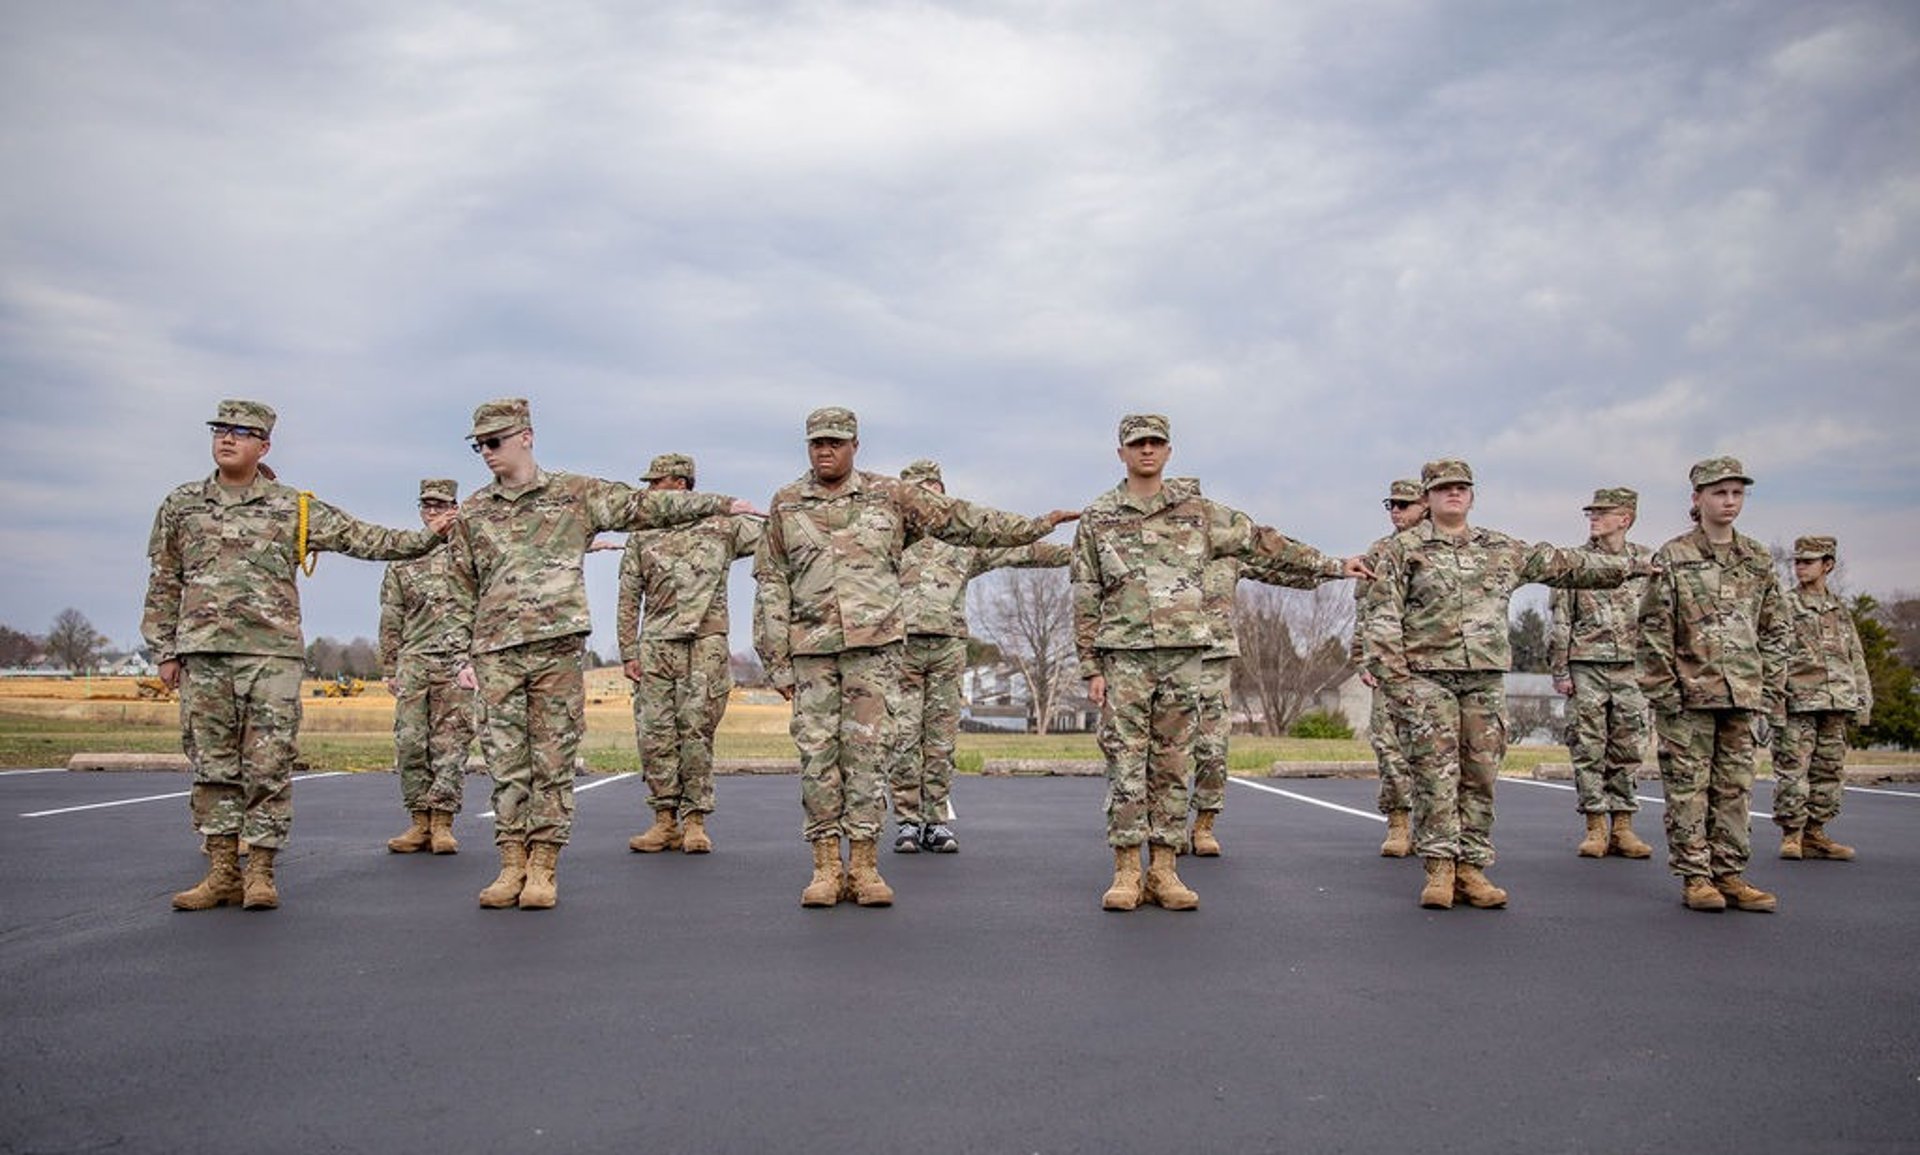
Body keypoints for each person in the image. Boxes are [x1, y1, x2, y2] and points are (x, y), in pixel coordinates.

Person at [753, 407, 1078, 908]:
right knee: (818, 759)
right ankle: (825, 867)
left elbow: (962, 519)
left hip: (875, 650)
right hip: (812, 652)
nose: (825, 450)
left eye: (835, 442)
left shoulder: (891, 496)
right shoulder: (787, 504)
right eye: (817, 441)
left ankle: (862, 866)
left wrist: (1034, 525)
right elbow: (771, 580)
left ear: (855, 445)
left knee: (867, 756)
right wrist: (773, 657)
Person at [443, 399, 756, 910]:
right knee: (505, 761)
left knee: (553, 760)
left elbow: (645, 508)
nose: (486, 452)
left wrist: (719, 504)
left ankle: (543, 867)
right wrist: (461, 656)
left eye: (494, 441)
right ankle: (510, 864)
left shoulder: (575, 495)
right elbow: (458, 587)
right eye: (478, 444)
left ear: (525, 436)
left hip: (556, 651)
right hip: (495, 653)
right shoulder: (476, 511)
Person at [143, 400, 450, 911]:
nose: (227, 439)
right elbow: (164, 581)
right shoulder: (182, 505)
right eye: (221, 429)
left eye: (242, 432)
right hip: (204, 655)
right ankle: (222, 871)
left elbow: (362, 537)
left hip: (271, 657)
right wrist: (164, 650)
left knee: (268, 765)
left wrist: (426, 539)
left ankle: (261, 871)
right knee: (212, 766)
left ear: (263, 446)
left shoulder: (294, 508)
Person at [1071, 415, 1368, 912]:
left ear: (1169, 452)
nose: (1147, 451)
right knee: (1125, 763)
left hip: (1186, 656)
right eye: (1137, 444)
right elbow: (1084, 594)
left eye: (1156, 443)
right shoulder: (1098, 516)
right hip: (1123, 658)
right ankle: (1126, 870)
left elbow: (1266, 542)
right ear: (1120, 452)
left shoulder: (1201, 514)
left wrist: (1333, 564)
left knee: (1171, 765)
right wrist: (1090, 667)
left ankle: (1164, 869)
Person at [1364, 459, 1642, 911]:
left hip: (1484, 680)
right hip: (1426, 679)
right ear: (1428, 497)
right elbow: (1382, 619)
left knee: (1481, 774)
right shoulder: (1402, 551)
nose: (1453, 494)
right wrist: (1399, 686)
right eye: (1443, 489)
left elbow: (1565, 565)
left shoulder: (1500, 548)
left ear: (1472, 496)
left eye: (1461, 488)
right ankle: (1440, 868)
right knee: (1435, 775)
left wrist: (1629, 567)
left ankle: (1472, 866)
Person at [889, 458, 1070, 855]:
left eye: (934, 491)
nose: (928, 499)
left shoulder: (962, 544)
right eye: (919, 491)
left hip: (948, 648)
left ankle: (934, 822)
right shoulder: (890, 538)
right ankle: (906, 820)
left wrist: (1079, 553)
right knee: (902, 737)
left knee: (940, 740)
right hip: (901, 648)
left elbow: (1021, 552)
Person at [1637, 456, 1790, 913]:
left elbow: (1775, 628)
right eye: (1719, 492)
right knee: (1688, 788)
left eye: (1737, 493)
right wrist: (1665, 692)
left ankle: (1730, 873)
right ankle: (1696, 877)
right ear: (1697, 498)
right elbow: (1653, 629)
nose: (1729, 501)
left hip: (1742, 695)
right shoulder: (1674, 556)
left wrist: (1770, 689)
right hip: (1688, 696)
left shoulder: (1758, 558)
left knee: (1736, 788)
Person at [617, 453, 762, 856]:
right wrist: (628, 649)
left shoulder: (722, 526)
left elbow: (775, 536)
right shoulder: (643, 532)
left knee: (696, 731)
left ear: (680, 485)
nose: (649, 491)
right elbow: (629, 596)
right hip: (657, 646)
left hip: (705, 644)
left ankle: (695, 821)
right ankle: (664, 821)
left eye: (656, 483)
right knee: (655, 734)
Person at [1186, 478, 1340, 858]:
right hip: (1161, 657)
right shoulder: (1158, 550)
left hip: (1211, 658)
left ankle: (1204, 823)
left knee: (1211, 747)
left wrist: (1333, 570)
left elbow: (1279, 569)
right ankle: (1168, 827)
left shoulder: (1228, 552)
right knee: (1165, 752)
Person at [1549, 487, 1656, 860]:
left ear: (1624, 518)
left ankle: (1623, 827)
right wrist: (1560, 670)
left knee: (1629, 748)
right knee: (1587, 746)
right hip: (1586, 666)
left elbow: (1659, 619)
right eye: (1591, 513)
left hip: (1633, 668)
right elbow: (1561, 619)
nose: (1593, 518)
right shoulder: (1576, 562)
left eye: (1602, 512)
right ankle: (1595, 826)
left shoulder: (1647, 562)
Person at [378, 478, 478, 856]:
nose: (434, 511)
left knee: (451, 744)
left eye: (442, 505)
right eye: (428, 505)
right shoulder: (406, 557)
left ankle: (442, 822)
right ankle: (419, 819)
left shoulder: (468, 553)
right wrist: (389, 666)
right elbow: (391, 616)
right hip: (414, 662)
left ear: (456, 507)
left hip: (457, 662)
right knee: (410, 742)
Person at [1771, 534, 1872, 861]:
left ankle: (1815, 833)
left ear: (1827, 565)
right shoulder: (1785, 604)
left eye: (1808, 561)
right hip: (1798, 699)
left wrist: (1862, 699)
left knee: (1829, 770)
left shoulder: (1839, 609)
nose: (1800, 567)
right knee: (1793, 769)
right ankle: (1792, 833)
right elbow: (1773, 652)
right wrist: (1774, 696)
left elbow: (1854, 655)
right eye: (1797, 561)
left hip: (1837, 700)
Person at [1355, 479, 1427, 857]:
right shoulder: (1379, 551)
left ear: (1424, 506)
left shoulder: (1442, 549)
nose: (1396, 511)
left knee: (1435, 752)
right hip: (1388, 663)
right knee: (1388, 744)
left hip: (1433, 664)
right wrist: (1363, 658)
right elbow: (1364, 610)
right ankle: (1399, 823)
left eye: (1404, 505)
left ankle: (1435, 830)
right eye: (1391, 505)